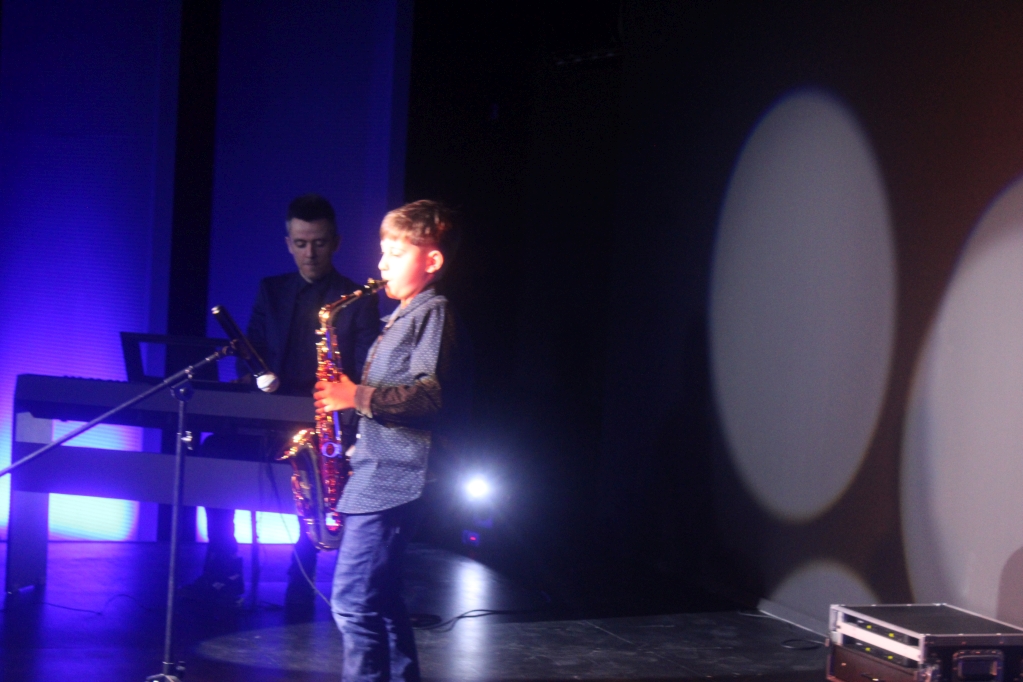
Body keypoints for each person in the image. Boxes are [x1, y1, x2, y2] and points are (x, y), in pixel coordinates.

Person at [187, 193, 380, 607]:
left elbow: (366, 365)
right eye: (301, 243)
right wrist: (248, 374)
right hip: (266, 422)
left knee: (315, 476)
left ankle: (301, 575)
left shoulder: (355, 298)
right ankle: (223, 566)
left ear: (336, 243)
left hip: (319, 428)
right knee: (212, 455)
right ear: (288, 243)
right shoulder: (270, 290)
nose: (310, 254)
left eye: (319, 243)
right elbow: (253, 348)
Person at [313, 200, 469, 681]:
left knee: (351, 603)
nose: (381, 265)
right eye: (382, 252)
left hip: (395, 478)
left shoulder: (433, 311)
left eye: (395, 254)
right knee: (380, 601)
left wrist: (354, 395)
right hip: (379, 472)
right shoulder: (401, 317)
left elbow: (429, 396)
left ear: (432, 260)